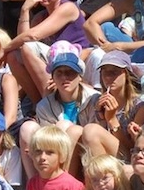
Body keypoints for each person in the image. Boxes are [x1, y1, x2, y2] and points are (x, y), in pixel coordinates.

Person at [5, 0, 90, 104]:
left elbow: (32, 36)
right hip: (56, 65)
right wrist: (25, 10)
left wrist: (3, 49)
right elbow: (23, 41)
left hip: (78, 62)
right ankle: (39, 105)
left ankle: (52, 103)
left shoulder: (68, 8)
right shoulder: (40, 17)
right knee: (13, 56)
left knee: (26, 48)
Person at [19, 50, 98, 178]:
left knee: (67, 127)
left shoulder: (94, 99)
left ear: (80, 76)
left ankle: (62, 183)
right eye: (59, 73)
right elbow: (47, 141)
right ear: (53, 78)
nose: (64, 78)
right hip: (54, 154)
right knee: (27, 128)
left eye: (70, 72)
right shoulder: (44, 106)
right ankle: (34, 183)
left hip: (85, 154)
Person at [80, 51, 144, 162]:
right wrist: (99, 115)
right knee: (74, 131)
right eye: (104, 72)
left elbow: (134, 147)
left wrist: (112, 120)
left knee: (91, 130)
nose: (108, 77)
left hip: (130, 157)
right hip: (101, 153)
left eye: (114, 72)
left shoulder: (141, 106)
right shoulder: (95, 100)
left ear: (126, 74)